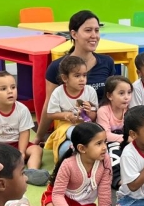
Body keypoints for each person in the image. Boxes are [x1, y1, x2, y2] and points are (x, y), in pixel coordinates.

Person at [8, 123, 113, 206]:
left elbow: (104, 189)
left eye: (105, 142)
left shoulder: (105, 160)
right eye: (99, 143)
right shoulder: (69, 164)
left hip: (82, 202)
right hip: (59, 198)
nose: (105, 147)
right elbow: (57, 194)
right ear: (82, 148)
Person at [35, 10, 115, 144]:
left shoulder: (107, 62)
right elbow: (49, 105)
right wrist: (38, 137)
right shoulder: (57, 67)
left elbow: (113, 98)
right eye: (88, 30)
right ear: (74, 34)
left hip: (103, 125)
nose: (94, 35)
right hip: (71, 128)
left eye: (96, 30)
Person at [0, 71, 48, 186]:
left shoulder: (22, 109)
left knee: (37, 150)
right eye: (3, 89)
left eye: (13, 87)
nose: (10, 91)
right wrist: (6, 152)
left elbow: (24, 133)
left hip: (18, 144)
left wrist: (21, 151)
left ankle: (31, 172)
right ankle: (1, 173)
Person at [43, 57, 99, 159]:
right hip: (66, 127)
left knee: (90, 134)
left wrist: (89, 111)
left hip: (86, 126)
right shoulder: (58, 92)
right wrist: (66, 115)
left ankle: (79, 146)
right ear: (65, 78)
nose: (82, 79)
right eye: (77, 76)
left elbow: (94, 117)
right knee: (66, 147)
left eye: (84, 75)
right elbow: (50, 114)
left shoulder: (90, 91)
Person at [96, 76, 132, 143]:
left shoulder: (130, 110)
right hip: (108, 144)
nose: (126, 97)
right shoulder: (103, 111)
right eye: (121, 93)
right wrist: (127, 138)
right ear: (110, 96)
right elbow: (105, 135)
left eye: (129, 92)